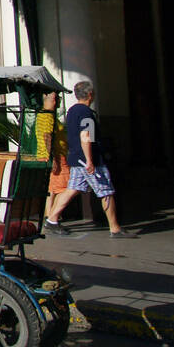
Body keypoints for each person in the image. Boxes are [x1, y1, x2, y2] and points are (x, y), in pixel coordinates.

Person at [45, 80, 136, 238]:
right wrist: (90, 160)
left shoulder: (72, 111)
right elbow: (86, 136)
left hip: (75, 158)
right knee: (106, 191)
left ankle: (52, 220)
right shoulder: (86, 113)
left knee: (73, 189)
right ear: (90, 94)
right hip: (87, 159)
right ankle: (115, 228)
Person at [36, 91, 70, 218]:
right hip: (54, 156)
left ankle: (50, 214)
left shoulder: (47, 115)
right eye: (55, 99)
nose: (57, 102)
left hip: (53, 155)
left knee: (52, 188)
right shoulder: (46, 115)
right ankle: (53, 216)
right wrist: (53, 158)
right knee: (64, 187)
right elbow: (47, 136)